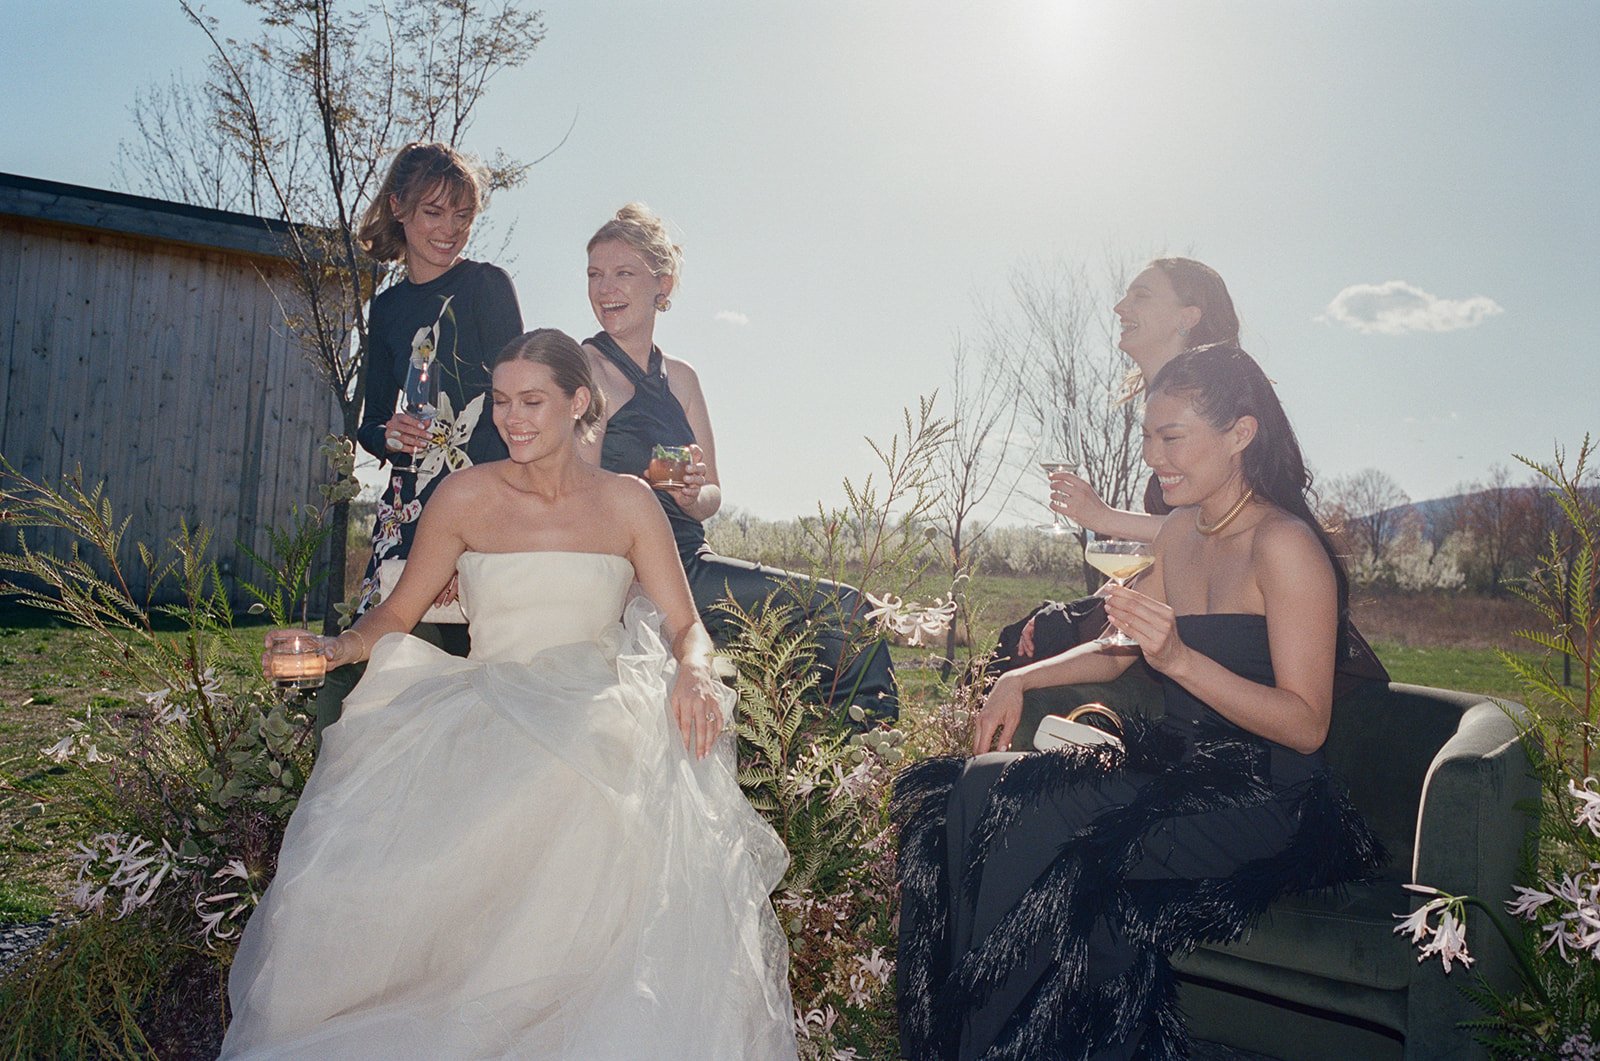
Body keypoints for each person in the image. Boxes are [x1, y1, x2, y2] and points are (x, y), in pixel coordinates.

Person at [222, 331, 798, 1060]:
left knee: (596, 787)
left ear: (577, 402)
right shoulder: (465, 495)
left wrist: (691, 670)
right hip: (489, 700)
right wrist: (334, 649)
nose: (511, 417)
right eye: (500, 401)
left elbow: (689, 626)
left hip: (598, 706)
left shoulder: (628, 504)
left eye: (532, 400)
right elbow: (398, 613)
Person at [894, 342, 1385, 1060]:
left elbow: (1307, 725)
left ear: (1240, 434)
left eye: (1171, 436)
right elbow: (1123, 644)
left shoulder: (1285, 546)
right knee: (966, 795)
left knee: (1031, 817)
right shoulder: (1184, 532)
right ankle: (950, 1043)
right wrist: (1019, 679)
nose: (1154, 455)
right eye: (1148, 436)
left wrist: (1181, 658)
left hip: (1265, 799)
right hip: (1177, 773)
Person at [578, 203, 898, 722]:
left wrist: (689, 491)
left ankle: (840, 758)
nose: (605, 288)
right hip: (640, 574)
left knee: (852, 616)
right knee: (849, 611)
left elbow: (711, 498)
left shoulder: (681, 378)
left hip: (694, 560)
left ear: (663, 283)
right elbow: (580, 494)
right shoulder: (585, 368)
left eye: (623, 273)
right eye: (595, 274)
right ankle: (856, 765)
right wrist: (641, 490)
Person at [312, 141, 524, 741]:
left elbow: (517, 407)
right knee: (356, 688)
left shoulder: (487, 287)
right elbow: (370, 419)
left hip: (486, 508)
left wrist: (470, 534)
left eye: (463, 216)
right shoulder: (384, 311)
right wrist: (390, 434)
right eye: (434, 212)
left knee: (466, 678)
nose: (450, 230)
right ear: (399, 208)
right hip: (406, 510)